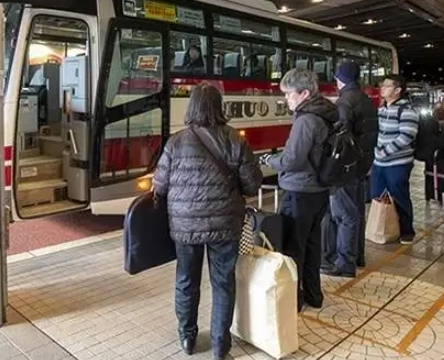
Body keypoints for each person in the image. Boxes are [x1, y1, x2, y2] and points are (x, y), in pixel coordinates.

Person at [152, 83, 262, 360]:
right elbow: (252, 185)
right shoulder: (236, 139)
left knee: (186, 280)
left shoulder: (176, 142)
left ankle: (187, 337)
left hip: (185, 226)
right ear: (220, 106)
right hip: (225, 225)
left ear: (191, 107)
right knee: (223, 282)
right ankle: (220, 345)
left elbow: (160, 186)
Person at [259, 68, 339, 310]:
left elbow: (292, 160)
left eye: (289, 94)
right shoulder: (326, 114)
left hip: (299, 192)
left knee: (294, 247)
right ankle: (314, 295)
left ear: (304, 93)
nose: (286, 99)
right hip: (319, 190)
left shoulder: (306, 120)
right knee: (313, 245)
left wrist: (268, 161)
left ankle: (293, 300)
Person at [321, 62, 377, 277]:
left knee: (345, 215)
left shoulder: (344, 102)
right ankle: (358, 255)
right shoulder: (365, 99)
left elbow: (341, 138)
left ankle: (345, 263)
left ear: (339, 78)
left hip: (347, 167)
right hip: (363, 164)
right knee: (358, 213)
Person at [371, 74, 419, 244]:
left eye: (387, 86)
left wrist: (385, 151)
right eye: (382, 85)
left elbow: (407, 136)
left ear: (398, 90)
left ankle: (407, 231)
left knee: (399, 196)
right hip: (379, 162)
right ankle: (386, 227)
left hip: (398, 163)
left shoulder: (407, 111)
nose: (382, 88)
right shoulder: (382, 109)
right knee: (377, 196)